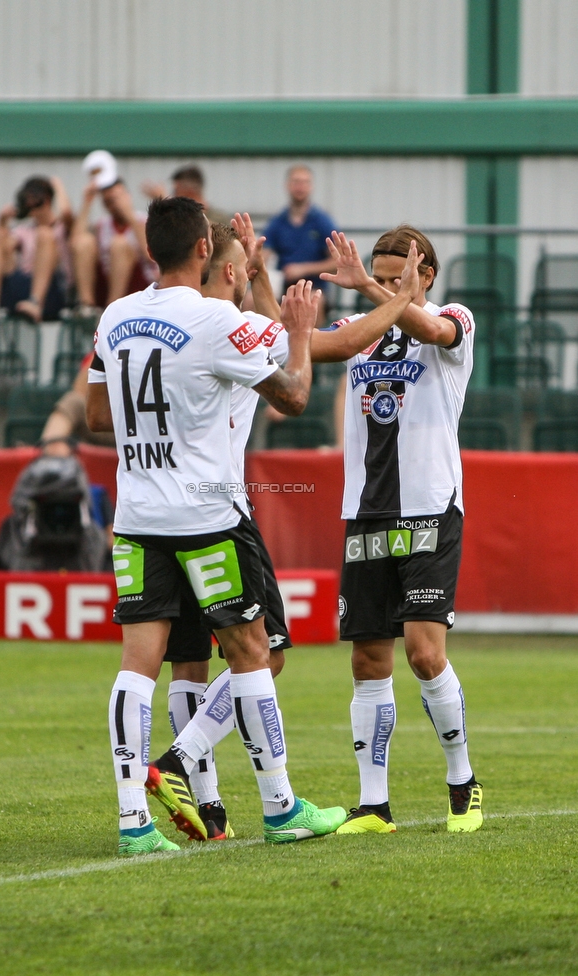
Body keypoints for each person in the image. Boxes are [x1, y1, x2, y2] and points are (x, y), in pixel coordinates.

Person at [86, 195, 347, 856]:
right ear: (204, 249)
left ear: (149, 251)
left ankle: (131, 824)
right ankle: (281, 807)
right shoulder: (213, 319)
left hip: (138, 515)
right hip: (205, 514)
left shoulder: (116, 317)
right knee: (254, 652)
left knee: (136, 665)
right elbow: (291, 396)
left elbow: (94, 416)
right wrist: (296, 332)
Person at [152, 217, 425, 837]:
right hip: (217, 515)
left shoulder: (161, 324)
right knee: (264, 654)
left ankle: (209, 802)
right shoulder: (232, 330)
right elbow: (329, 350)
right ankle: (191, 767)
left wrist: (260, 277)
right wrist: (402, 298)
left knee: (187, 661)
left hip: (152, 510)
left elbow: (273, 331)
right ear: (228, 270)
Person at [317, 226, 483, 835]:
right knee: (367, 657)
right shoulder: (360, 335)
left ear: (427, 276)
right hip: (365, 511)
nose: (385, 289)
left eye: (398, 279)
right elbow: (305, 347)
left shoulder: (452, 319)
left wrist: (376, 291)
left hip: (429, 509)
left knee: (423, 652)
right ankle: (373, 805)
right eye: (379, 279)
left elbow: (432, 330)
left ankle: (463, 782)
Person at [0, 176, 73, 323]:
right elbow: (3, 247)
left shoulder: (62, 228)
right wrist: (2, 221)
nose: (31, 206)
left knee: (44, 234)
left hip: (54, 289)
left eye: (36, 200)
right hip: (22, 286)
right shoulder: (24, 231)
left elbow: (67, 213)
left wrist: (57, 186)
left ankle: (36, 302)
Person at [71, 178, 157, 316]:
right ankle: (86, 305)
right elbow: (75, 244)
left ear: (128, 196)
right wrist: (87, 202)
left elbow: (152, 256)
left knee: (119, 244)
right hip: (106, 283)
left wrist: (129, 215)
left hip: (139, 285)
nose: (115, 204)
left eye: (118, 198)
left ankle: (112, 308)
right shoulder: (102, 224)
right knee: (84, 242)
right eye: (109, 201)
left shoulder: (145, 220)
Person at [263, 165, 337, 325]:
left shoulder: (322, 221)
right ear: (287, 185)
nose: (300, 187)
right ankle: (266, 346)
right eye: (296, 182)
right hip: (283, 286)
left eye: (305, 182)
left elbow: (337, 262)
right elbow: (263, 253)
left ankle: (315, 348)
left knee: (312, 302)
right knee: (251, 299)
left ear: (311, 187)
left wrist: (303, 269)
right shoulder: (278, 221)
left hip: (314, 287)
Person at [142, 164, 230, 225]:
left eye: (176, 190)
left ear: (189, 192)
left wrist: (167, 202)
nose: (174, 195)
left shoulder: (220, 219)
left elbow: (198, 228)